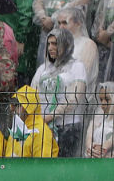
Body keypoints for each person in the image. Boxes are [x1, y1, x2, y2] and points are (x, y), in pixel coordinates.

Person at [30, 28, 89, 156]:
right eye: (49, 44)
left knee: (63, 167)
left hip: (67, 126)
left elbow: (74, 98)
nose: (51, 47)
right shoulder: (43, 69)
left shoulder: (77, 67)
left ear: (66, 45)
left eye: (55, 44)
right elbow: (32, 93)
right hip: (42, 125)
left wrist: (50, 117)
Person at [12, 85, 60, 157]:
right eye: (12, 104)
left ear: (29, 108)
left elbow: (42, 165)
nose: (12, 108)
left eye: (17, 105)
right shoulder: (17, 128)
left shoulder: (41, 132)